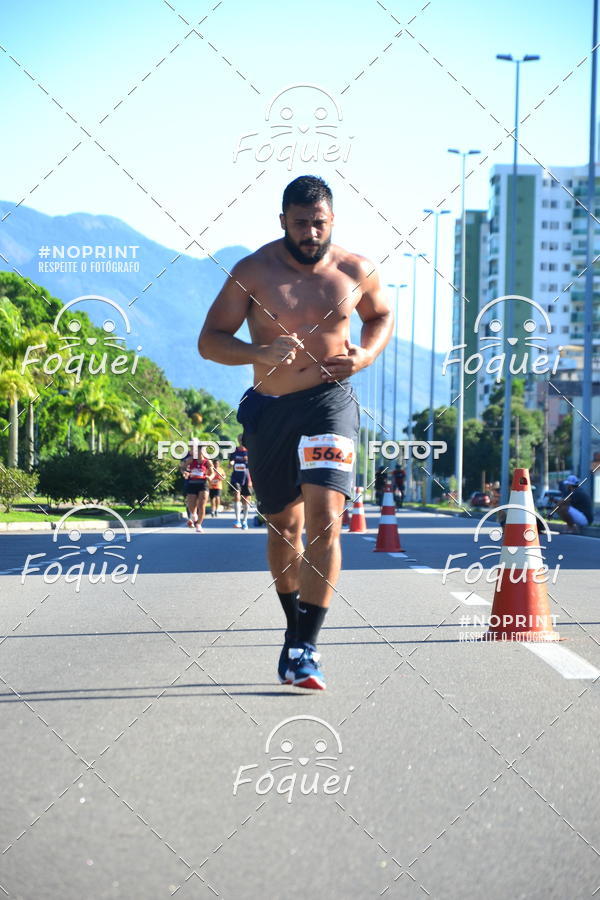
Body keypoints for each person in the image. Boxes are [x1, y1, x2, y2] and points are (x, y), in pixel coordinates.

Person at [198, 175, 392, 690]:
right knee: (284, 526)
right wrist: (255, 353)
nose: (311, 232)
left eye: (320, 223)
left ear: (333, 222)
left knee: (326, 517)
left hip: (330, 405)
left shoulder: (355, 270)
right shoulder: (253, 272)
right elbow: (209, 341)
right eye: (301, 222)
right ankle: (295, 630)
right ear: (283, 219)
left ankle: (307, 645)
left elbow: (382, 315)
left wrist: (366, 354)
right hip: (271, 408)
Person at [180, 440, 214, 532]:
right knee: (191, 505)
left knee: (202, 505)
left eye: (202, 450)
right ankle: (194, 515)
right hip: (192, 483)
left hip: (203, 484)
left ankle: (199, 524)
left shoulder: (207, 462)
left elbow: (212, 473)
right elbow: (182, 467)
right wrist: (185, 473)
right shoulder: (191, 459)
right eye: (199, 450)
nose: (200, 452)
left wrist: (210, 477)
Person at [230, 436, 253, 529]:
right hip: (236, 478)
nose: (241, 441)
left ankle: (245, 520)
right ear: (238, 440)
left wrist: (251, 481)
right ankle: (238, 520)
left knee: (246, 500)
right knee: (236, 495)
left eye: (243, 439)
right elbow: (231, 461)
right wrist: (231, 463)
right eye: (240, 440)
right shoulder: (234, 451)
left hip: (247, 478)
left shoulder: (250, 451)